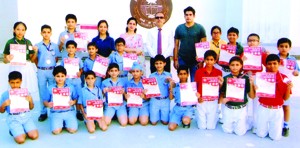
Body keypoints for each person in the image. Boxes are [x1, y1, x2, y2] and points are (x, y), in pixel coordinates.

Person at [256, 54, 293, 140]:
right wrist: (255, 88)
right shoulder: (261, 77)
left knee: (275, 137)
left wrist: (288, 88)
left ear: (279, 63)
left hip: (277, 109)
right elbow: (257, 95)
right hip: (263, 108)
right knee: (260, 134)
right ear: (266, 64)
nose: (272, 66)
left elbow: (286, 98)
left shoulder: (284, 78)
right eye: (269, 63)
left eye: (274, 63)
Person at [219, 56, 255, 136]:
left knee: (240, 133)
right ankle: (234, 123)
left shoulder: (245, 78)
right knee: (227, 130)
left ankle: (247, 124)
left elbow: (252, 96)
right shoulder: (225, 78)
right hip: (229, 108)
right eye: (232, 65)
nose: (235, 67)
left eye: (237, 65)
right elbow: (221, 94)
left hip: (241, 108)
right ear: (229, 66)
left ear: (241, 66)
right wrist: (221, 85)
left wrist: (251, 83)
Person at [0, 71, 39, 144]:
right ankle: (14, 130)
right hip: (14, 118)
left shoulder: (26, 92)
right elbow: (1, 111)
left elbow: (31, 108)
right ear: (9, 82)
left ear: (21, 81)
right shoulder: (5, 95)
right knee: (21, 140)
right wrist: (3, 105)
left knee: (34, 136)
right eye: (12, 82)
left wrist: (30, 101)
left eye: (17, 82)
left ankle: (22, 129)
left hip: (26, 116)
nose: (15, 85)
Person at [3, 21, 38, 94]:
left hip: (26, 69)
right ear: (14, 30)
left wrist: (35, 52)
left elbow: (32, 60)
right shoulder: (9, 42)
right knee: (15, 90)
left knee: (27, 90)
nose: (20, 32)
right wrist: (7, 58)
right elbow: (4, 60)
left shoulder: (28, 42)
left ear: (25, 31)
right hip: (14, 68)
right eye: (18, 29)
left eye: (23, 30)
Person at [173, 6, 207, 82]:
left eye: (190, 14)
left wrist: (201, 61)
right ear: (184, 16)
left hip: (195, 60)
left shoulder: (200, 28)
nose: (188, 16)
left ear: (194, 16)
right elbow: (176, 45)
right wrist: (175, 60)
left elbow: (204, 46)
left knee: (194, 81)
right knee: (182, 81)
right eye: (186, 15)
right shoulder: (179, 28)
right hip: (182, 58)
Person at [35, 24, 61, 122]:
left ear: (51, 33)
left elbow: (57, 57)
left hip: (52, 71)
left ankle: (54, 110)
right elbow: (35, 58)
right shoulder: (37, 45)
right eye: (44, 32)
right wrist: (40, 66)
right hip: (41, 70)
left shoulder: (55, 46)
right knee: (42, 92)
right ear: (41, 33)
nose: (46, 34)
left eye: (48, 32)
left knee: (53, 91)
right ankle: (43, 112)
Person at [43, 66, 78, 134]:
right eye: (58, 76)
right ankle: (59, 122)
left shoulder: (71, 87)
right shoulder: (50, 88)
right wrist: (48, 104)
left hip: (69, 111)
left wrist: (73, 102)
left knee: (72, 130)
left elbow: (75, 98)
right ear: (54, 77)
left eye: (62, 76)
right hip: (56, 113)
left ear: (65, 76)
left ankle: (66, 122)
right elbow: (45, 101)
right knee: (56, 131)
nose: (60, 78)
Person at [276, 38, 299, 137]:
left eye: (286, 46)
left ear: (290, 48)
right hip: (275, 85)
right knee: (276, 106)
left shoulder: (292, 59)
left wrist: (296, 72)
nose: (284, 48)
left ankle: (286, 126)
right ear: (278, 47)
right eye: (281, 46)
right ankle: (275, 125)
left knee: (286, 106)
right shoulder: (274, 58)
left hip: (287, 86)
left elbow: (297, 71)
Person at [194, 50, 223, 130]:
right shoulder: (198, 72)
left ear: (215, 60)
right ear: (204, 59)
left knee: (211, 127)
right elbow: (195, 86)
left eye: (211, 59)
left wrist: (221, 84)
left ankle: (215, 116)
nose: (209, 62)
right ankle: (198, 116)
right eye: (207, 59)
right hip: (201, 100)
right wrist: (197, 97)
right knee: (202, 127)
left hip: (213, 100)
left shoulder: (218, 72)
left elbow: (219, 89)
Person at [168, 66, 198, 131]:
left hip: (188, 108)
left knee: (186, 121)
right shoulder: (175, 85)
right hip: (178, 108)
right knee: (171, 127)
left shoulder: (192, 86)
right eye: (180, 74)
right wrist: (171, 88)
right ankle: (179, 118)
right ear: (178, 75)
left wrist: (197, 96)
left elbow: (195, 100)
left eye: (184, 74)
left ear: (188, 75)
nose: (183, 76)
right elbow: (171, 98)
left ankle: (186, 118)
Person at [60, 40, 84, 121]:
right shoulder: (64, 60)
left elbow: (81, 69)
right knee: (69, 95)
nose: (71, 49)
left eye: (73, 48)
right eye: (69, 48)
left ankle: (78, 112)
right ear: (66, 49)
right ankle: (69, 111)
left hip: (76, 80)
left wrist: (79, 73)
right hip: (67, 80)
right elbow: (61, 70)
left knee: (78, 95)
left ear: (75, 49)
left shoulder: (78, 59)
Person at [149, 55, 172, 125]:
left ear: (164, 64)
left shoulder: (169, 75)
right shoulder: (151, 76)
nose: (158, 65)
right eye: (156, 63)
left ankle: (162, 112)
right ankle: (156, 113)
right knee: (153, 122)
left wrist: (171, 82)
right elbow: (149, 89)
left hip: (165, 100)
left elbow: (171, 88)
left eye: (160, 63)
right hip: (155, 99)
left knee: (165, 122)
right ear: (154, 64)